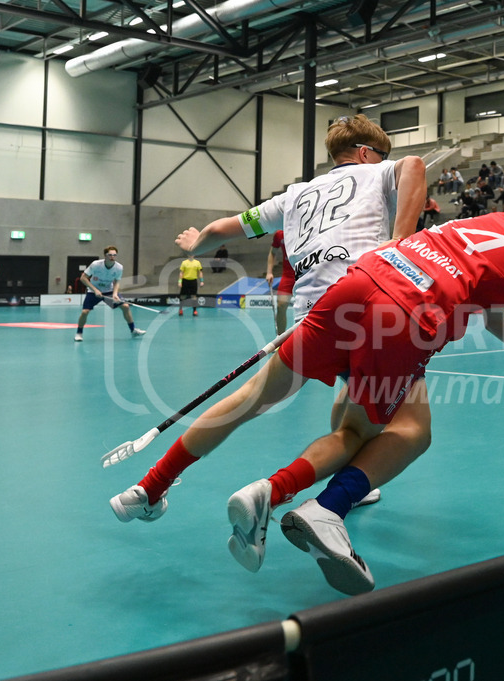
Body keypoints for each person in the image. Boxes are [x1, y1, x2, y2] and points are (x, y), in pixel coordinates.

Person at [161, 178, 504, 595]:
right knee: (404, 434)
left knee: (273, 401)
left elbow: (491, 317)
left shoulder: (500, 222)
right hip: (406, 313)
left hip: (359, 283)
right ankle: (317, 505)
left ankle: (164, 485)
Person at [108, 115, 427, 566]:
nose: (384, 161)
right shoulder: (377, 172)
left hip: (313, 316)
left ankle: (149, 487)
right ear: (363, 152)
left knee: (246, 401)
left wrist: (196, 243)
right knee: (405, 428)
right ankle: (293, 495)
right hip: (370, 304)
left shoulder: (294, 194)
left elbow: (222, 229)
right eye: (381, 155)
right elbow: (414, 165)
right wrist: (399, 241)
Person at [74, 246, 146, 341]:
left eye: (114, 255)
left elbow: (117, 281)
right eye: (110, 255)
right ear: (105, 255)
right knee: (85, 312)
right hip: (93, 291)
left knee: (125, 307)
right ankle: (79, 333)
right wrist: (95, 290)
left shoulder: (119, 267)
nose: (112, 257)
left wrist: (115, 294)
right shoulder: (96, 265)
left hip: (109, 291)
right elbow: (83, 278)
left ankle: (133, 330)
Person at [266, 229, 295, 334]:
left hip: (304, 273)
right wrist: (269, 272)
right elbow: (272, 252)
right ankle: (280, 338)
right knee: (280, 305)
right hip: (288, 275)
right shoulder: (279, 234)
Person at [177, 252, 204, 316]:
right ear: (188, 255)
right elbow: (181, 273)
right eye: (190, 254)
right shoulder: (184, 262)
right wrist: (180, 281)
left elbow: (200, 272)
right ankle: (180, 309)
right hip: (185, 281)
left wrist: (202, 281)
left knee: (194, 296)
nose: (191, 255)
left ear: (194, 255)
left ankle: (194, 311)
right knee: (182, 296)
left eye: (192, 254)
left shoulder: (197, 262)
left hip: (193, 281)